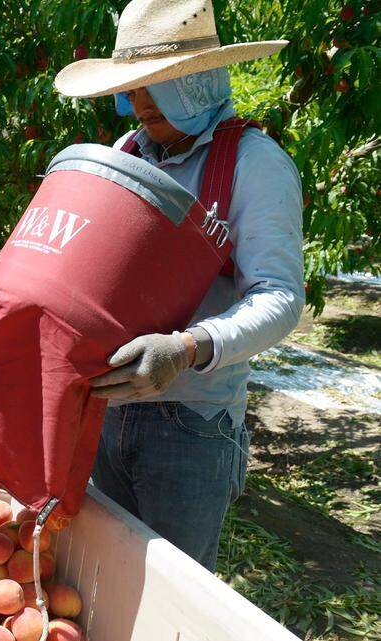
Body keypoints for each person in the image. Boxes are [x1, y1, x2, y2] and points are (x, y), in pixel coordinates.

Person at [53, 0, 304, 569]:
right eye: (133, 86)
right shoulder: (123, 156)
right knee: (97, 579)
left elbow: (281, 297)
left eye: (157, 86)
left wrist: (186, 348)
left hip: (191, 428)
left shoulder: (254, 165)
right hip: (107, 412)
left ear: (199, 81)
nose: (139, 102)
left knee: (174, 591)